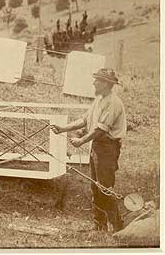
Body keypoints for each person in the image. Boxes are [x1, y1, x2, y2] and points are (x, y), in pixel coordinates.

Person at [50, 68, 127, 232]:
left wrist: (81, 140)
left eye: (97, 80)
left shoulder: (113, 103)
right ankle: (99, 226)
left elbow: (101, 130)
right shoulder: (99, 100)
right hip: (97, 147)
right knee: (95, 186)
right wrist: (63, 128)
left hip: (107, 148)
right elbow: (84, 120)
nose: (94, 83)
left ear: (105, 84)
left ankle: (117, 227)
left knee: (104, 187)